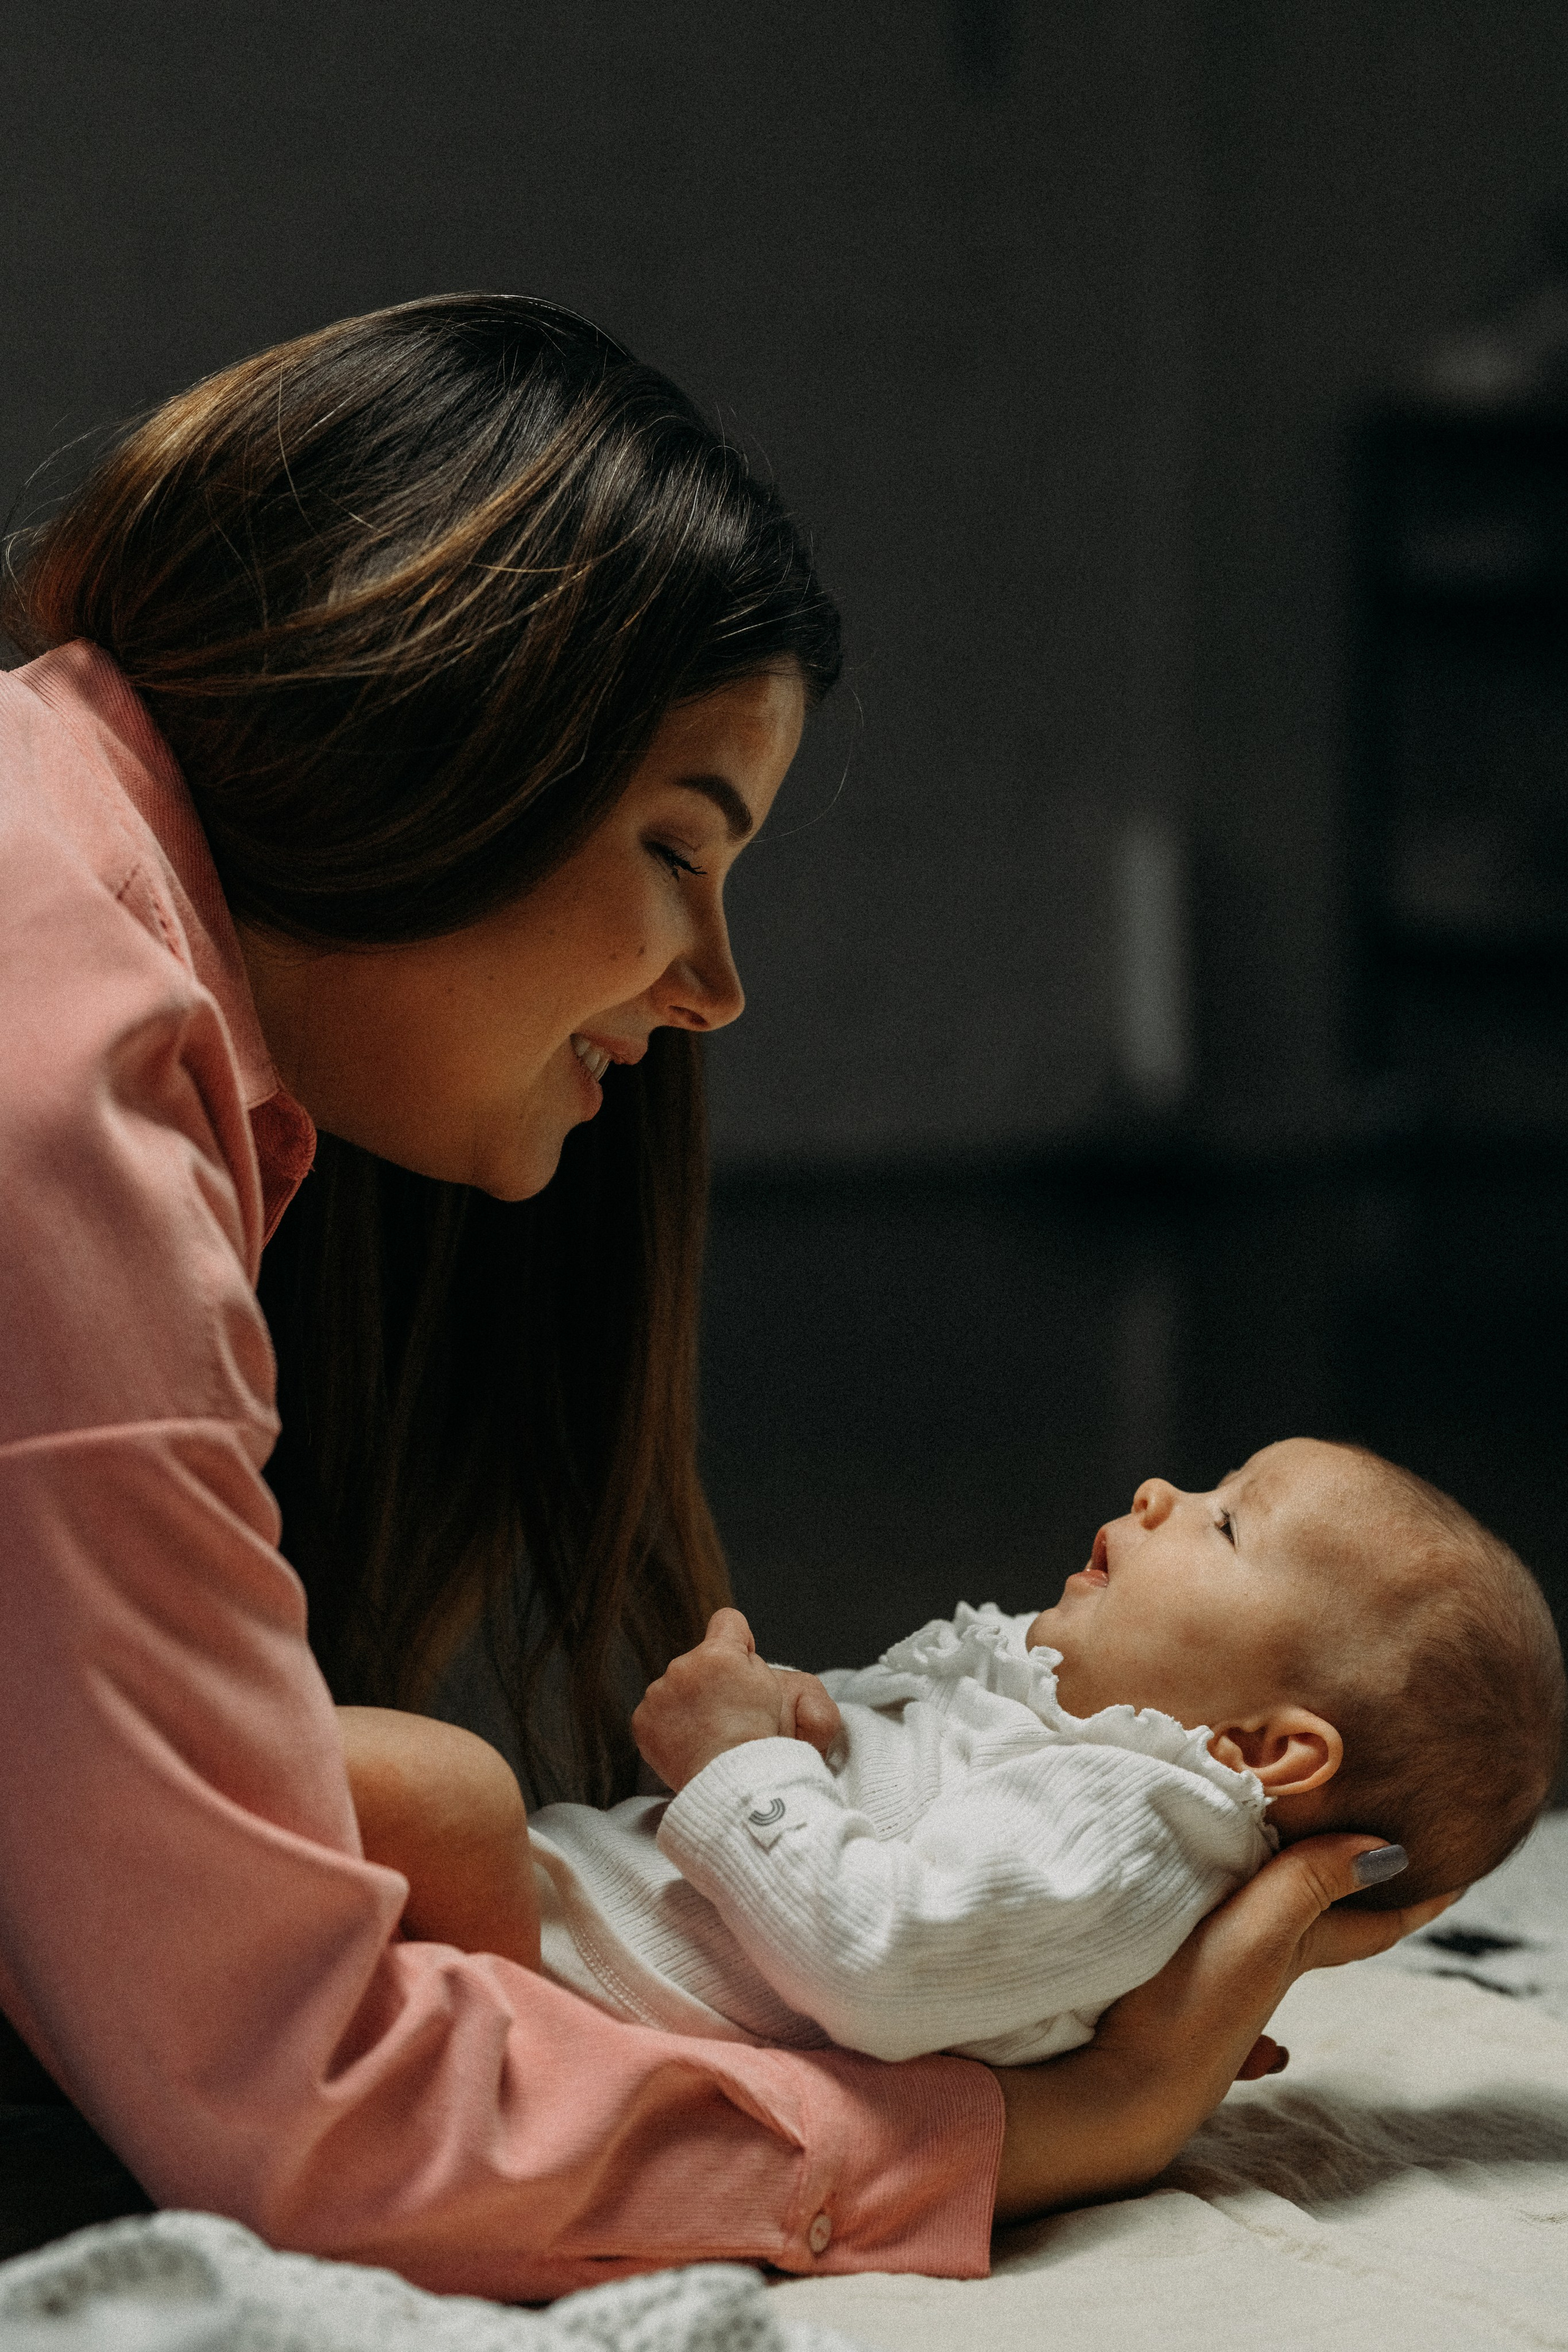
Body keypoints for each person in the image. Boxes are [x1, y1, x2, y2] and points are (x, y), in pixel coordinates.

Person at [0, 293, 1455, 2295]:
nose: (715, 989)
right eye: (683, 850)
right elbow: (309, 2101)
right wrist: (1049, 2130)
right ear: (442, 731)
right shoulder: (55, 1098)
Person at [342, 1438, 1563, 2068]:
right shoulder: (1068, 1749)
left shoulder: (1129, 1830)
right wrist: (808, 1732)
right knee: (379, 1795)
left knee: (432, 1790)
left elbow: (885, 1963)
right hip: (539, 1926)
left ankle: (156, 1775)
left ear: (1263, 1748)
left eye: (1223, 1521)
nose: (1156, 1492)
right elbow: (900, 1817)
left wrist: (736, 1768)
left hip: (539, 1978)